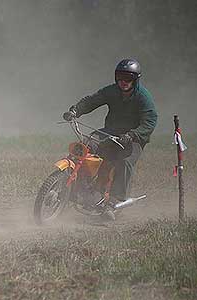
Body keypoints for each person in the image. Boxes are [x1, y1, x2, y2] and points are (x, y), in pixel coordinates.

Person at [63, 58, 157, 214]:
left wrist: (132, 135)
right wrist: (75, 111)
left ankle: (114, 201)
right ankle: (80, 188)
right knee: (86, 145)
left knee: (125, 162)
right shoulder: (111, 91)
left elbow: (150, 122)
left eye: (128, 78)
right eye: (120, 77)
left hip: (133, 138)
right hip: (111, 131)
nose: (124, 81)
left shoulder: (143, 97)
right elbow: (92, 101)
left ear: (136, 80)